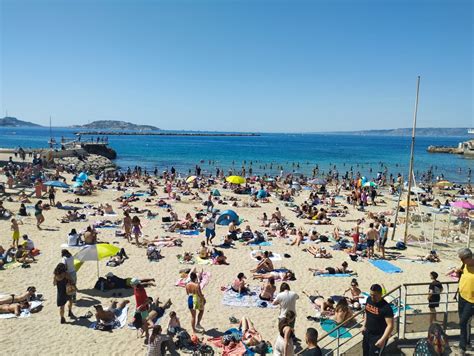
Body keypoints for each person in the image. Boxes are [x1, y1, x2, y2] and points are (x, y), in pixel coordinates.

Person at [362, 284, 394, 356]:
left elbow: (390, 326)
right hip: (367, 333)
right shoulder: (369, 299)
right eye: (371, 294)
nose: (372, 297)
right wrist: (364, 325)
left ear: (380, 294)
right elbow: (367, 313)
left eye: (374, 295)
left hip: (378, 336)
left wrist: (383, 340)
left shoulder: (386, 308)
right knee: (365, 353)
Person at [456, 248, 474, 355]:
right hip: (462, 296)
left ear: (468, 258)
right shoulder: (464, 265)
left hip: (472, 301)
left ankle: (462, 347)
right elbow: (463, 273)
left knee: (463, 322)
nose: (461, 261)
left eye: (462, 259)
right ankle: (467, 343)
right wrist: (459, 272)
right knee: (465, 323)